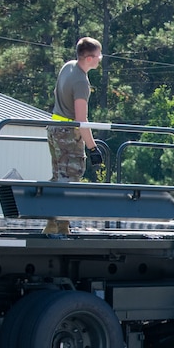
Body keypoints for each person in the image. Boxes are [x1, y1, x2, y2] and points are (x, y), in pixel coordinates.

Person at [43, 36, 104, 235]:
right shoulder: (81, 82)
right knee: (70, 179)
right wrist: (93, 148)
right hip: (68, 133)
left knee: (58, 177)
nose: (100, 58)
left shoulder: (67, 67)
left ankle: (54, 224)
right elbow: (81, 120)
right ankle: (61, 226)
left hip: (54, 128)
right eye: (97, 55)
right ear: (88, 58)